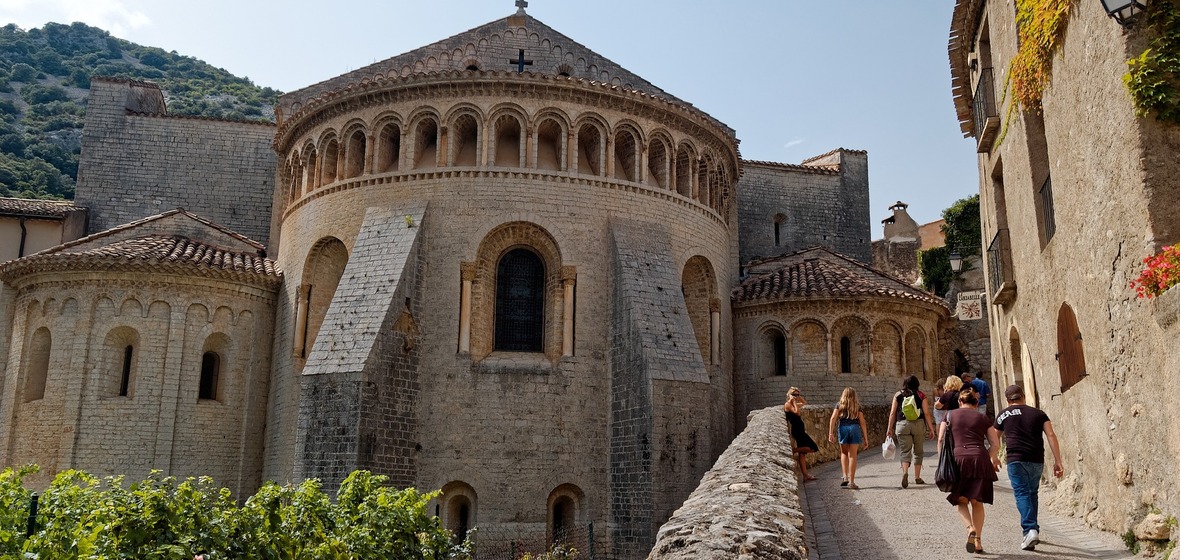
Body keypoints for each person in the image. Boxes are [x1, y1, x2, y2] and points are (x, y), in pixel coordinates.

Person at [994, 384, 1064, 551]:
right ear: (1023, 396)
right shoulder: (1039, 413)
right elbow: (1051, 435)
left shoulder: (1003, 414)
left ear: (1007, 400)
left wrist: (994, 457)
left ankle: (1029, 529)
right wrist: (1058, 460)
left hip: (1016, 459)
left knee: (1022, 493)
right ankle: (1033, 529)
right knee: (1032, 493)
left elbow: (995, 438)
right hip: (1036, 459)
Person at [939, 389, 1001, 554]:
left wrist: (943, 463)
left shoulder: (950, 416)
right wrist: (987, 458)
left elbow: (940, 439)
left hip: (958, 459)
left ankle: (970, 528)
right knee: (977, 502)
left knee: (961, 500)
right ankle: (978, 542)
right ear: (976, 403)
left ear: (960, 401)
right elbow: (995, 444)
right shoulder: (982, 418)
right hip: (980, 459)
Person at [886, 375, 936, 488]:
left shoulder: (898, 395)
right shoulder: (921, 395)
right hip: (918, 424)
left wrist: (889, 428)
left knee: (905, 451)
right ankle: (917, 477)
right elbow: (927, 413)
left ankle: (905, 472)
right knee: (918, 451)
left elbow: (893, 413)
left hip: (902, 424)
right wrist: (931, 429)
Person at [828, 387, 868, 489]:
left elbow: (833, 418)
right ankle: (852, 482)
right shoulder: (857, 406)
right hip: (855, 428)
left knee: (844, 453)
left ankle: (845, 477)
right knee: (853, 455)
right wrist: (865, 438)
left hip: (843, 428)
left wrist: (830, 433)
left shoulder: (839, 405)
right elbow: (862, 422)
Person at [783, 387, 819, 481]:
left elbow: (804, 403)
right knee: (813, 448)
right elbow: (797, 413)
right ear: (789, 395)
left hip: (800, 429)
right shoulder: (787, 404)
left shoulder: (794, 403)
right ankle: (794, 450)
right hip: (797, 431)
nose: (796, 397)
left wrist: (799, 397)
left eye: (797, 395)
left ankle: (805, 475)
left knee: (802, 454)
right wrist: (794, 401)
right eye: (794, 394)